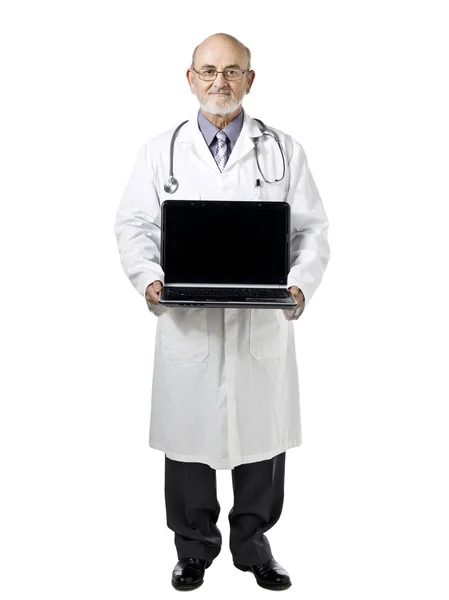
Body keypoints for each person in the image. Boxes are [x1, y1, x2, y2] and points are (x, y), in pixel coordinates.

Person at [114, 32, 330, 592]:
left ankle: (253, 544)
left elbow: (312, 232)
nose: (220, 82)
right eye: (208, 70)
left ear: (249, 80)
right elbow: (134, 227)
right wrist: (151, 280)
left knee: (262, 440)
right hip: (188, 320)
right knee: (188, 443)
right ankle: (193, 549)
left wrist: (299, 287)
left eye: (232, 71)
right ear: (190, 78)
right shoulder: (160, 151)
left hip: (261, 320)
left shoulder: (283, 150)